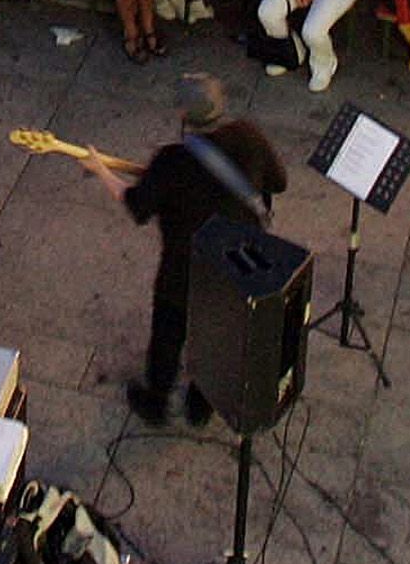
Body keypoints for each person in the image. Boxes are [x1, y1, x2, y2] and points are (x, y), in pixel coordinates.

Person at [80, 75, 284, 427]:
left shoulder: (172, 160)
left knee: (168, 334)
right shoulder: (250, 137)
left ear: (183, 113)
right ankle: (201, 406)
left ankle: (157, 402)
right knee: (217, 333)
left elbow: (136, 204)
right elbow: (279, 182)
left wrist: (99, 169)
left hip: (184, 269)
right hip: (236, 263)